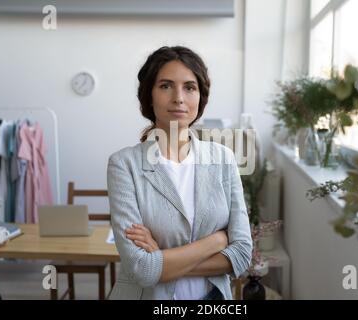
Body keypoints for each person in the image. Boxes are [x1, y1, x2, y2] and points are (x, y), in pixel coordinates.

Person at [107, 46, 252, 300]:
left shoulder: (223, 159)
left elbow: (241, 254)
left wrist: (161, 258)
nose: (178, 98)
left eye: (189, 87)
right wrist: (216, 242)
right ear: (149, 96)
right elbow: (142, 269)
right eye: (165, 86)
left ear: (200, 97)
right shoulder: (124, 164)